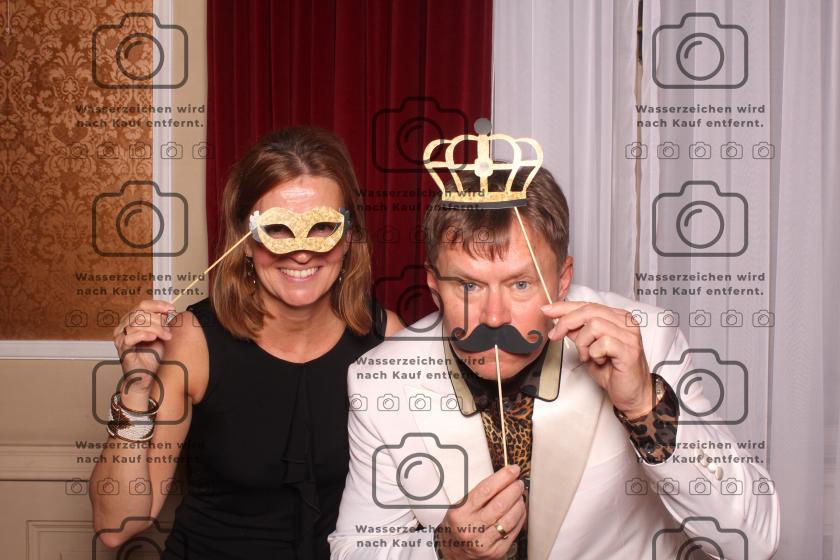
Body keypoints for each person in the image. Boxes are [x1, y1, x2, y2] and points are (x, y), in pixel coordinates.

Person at [329, 167, 780, 559]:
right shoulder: (380, 380)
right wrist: (443, 550)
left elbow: (753, 543)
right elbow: (354, 550)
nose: (494, 317)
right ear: (433, 287)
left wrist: (645, 406)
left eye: (521, 284)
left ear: (562, 280)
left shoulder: (647, 338)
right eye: (468, 286)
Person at [89, 126, 401, 559]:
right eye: (277, 229)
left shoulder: (386, 339)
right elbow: (117, 527)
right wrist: (136, 389)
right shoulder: (192, 341)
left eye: (322, 227)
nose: (301, 253)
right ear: (246, 241)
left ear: (348, 237)